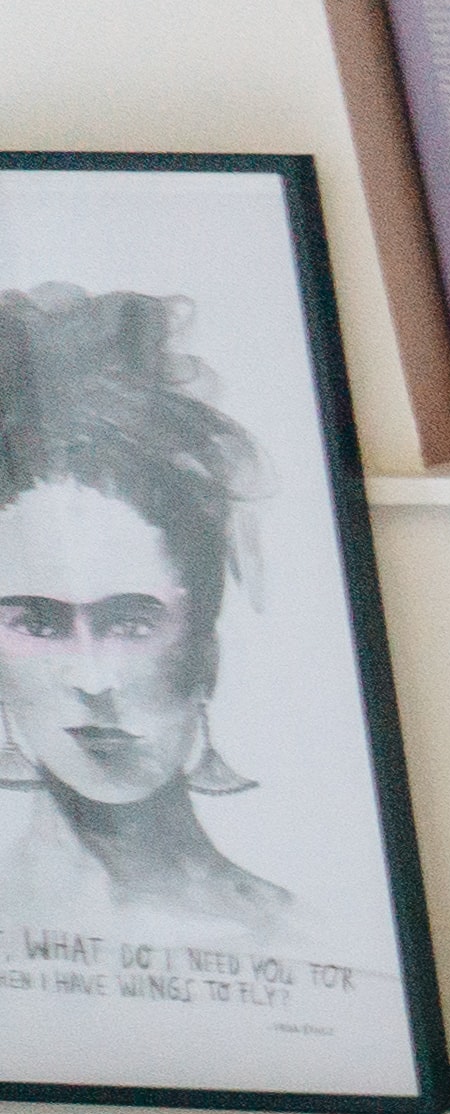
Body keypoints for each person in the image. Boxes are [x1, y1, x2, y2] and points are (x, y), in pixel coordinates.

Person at [0, 285, 289, 932]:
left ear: (204, 656)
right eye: (37, 624)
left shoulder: (297, 935)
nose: (91, 680)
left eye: (129, 622)